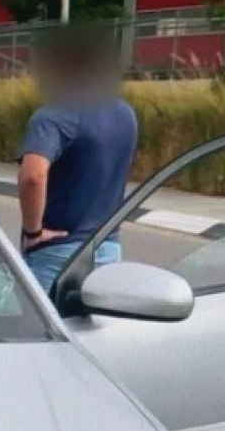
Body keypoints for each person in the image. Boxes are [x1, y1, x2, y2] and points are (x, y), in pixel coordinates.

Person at [16, 25, 138, 294]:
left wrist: (33, 232)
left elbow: (33, 175)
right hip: (108, 249)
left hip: (57, 254)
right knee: (99, 332)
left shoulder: (53, 116)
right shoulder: (126, 114)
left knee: (46, 332)